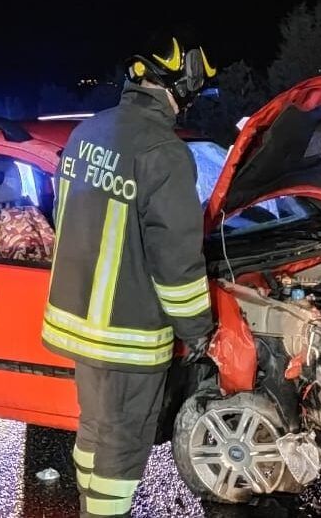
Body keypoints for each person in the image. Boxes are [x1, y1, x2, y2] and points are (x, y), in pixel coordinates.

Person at [40, 37, 218, 518]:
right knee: (123, 444)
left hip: (79, 323)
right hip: (127, 334)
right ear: (174, 86)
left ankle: (85, 503)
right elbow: (177, 263)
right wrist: (199, 331)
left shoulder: (84, 134)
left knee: (95, 429)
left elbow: (66, 219)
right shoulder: (163, 151)